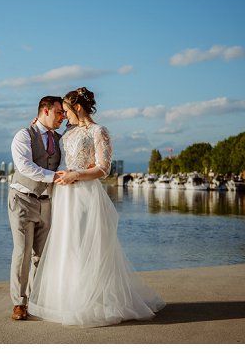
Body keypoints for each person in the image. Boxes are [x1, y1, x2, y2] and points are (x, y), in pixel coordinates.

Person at [27, 87, 164, 327]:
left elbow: (104, 168)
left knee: (86, 245)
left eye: (67, 110)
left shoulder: (99, 131)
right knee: (66, 245)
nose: (64, 116)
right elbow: (48, 137)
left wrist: (76, 175)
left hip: (84, 194)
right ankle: (66, 300)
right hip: (63, 196)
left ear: (77, 108)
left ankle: (92, 302)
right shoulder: (67, 132)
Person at [7, 96, 66, 320]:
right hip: (22, 199)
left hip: (47, 202)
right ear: (45, 110)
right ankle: (19, 303)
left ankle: (36, 299)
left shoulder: (60, 140)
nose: (62, 116)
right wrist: (55, 177)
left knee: (42, 255)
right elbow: (25, 166)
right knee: (22, 251)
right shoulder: (24, 135)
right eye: (59, 112)